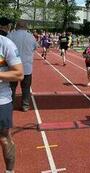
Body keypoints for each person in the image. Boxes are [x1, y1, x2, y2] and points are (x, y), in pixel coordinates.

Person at [0, 16, 24, 173]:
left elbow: (19, 74)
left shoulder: (5, 43)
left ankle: (10, 171)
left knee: (4, 138)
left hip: (1, 101)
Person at [7, 20, 37, 112]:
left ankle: (10, 105)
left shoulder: (10, 36)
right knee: (26, 88)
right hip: (26, 68)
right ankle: (25, 105)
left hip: (13, 67)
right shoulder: (31, 37)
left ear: (16, 26)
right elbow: (34, 48)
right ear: (26, 27)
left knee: (11, 88)